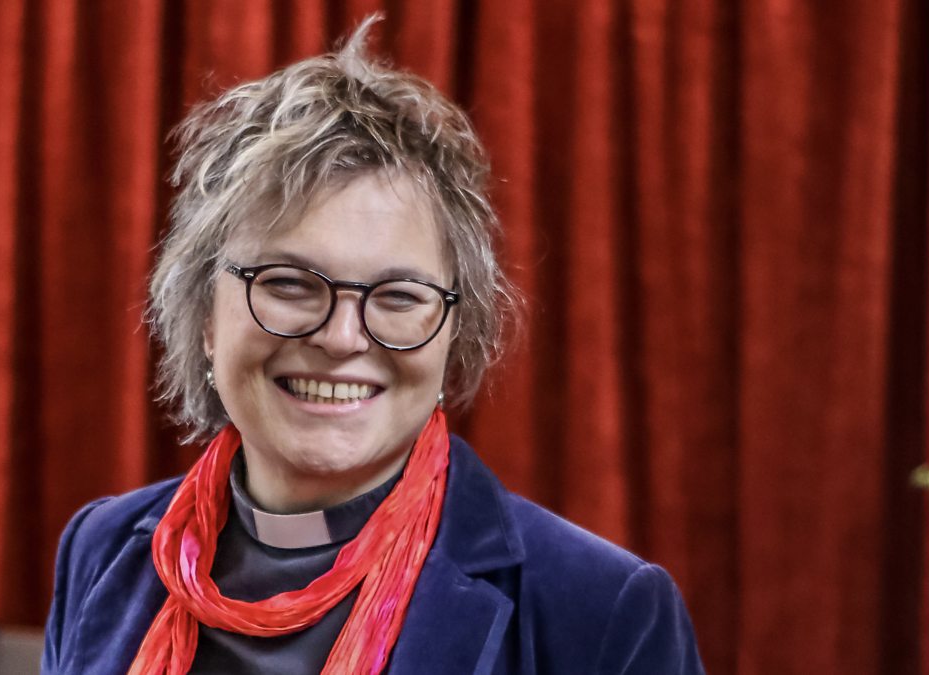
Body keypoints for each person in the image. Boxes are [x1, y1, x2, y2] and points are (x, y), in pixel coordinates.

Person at [42, 17, 705, 675]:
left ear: (455, 331)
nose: (341, 337)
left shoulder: (603, 613)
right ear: (204, 316)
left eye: (398, 296)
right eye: (289, 283)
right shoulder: (101, 549)